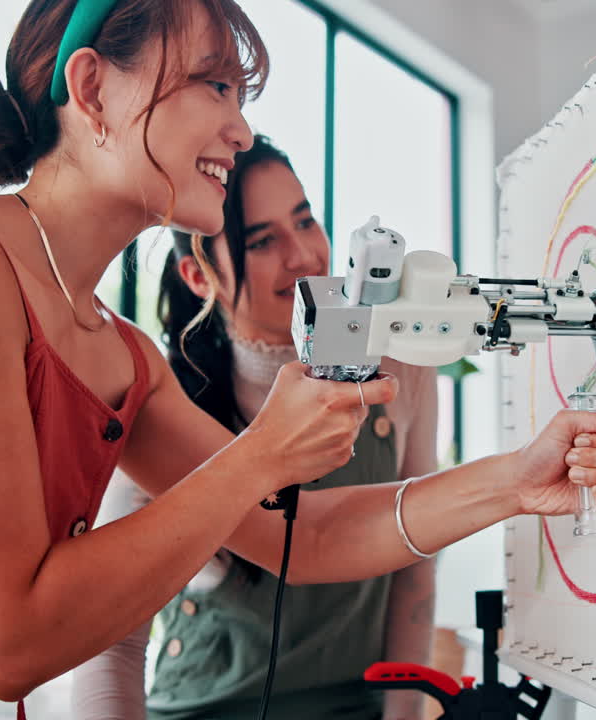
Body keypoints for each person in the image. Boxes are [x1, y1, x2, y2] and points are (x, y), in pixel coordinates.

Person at [0, 1, 596, 718]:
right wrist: (261, 454)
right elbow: (11, 641)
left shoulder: (121, 355)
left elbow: (306, 537)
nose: (241, 123)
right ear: (92, 87)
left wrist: (516, 480)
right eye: (214, 83)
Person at [73, 135, 438, 720]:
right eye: (263, 240)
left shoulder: (399, 372)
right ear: (198, 276)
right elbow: (112, 639)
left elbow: (414, 574)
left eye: (305, 221)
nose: (304, 257)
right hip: (204, 707)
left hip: (354, 705)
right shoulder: (171, 410)